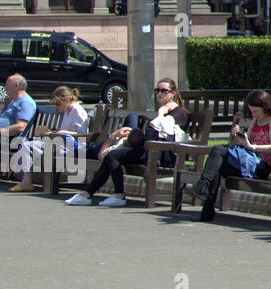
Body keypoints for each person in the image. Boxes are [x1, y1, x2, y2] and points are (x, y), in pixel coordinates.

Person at [67, 77, 189, 208]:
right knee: (112, 156)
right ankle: (90, 194)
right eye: (157, 90)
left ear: (173, 93)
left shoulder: (178, 113)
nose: (160, 93)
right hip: (149, 150)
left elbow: (163, 133)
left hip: (160, 155)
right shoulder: (167, 110)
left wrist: (161, 113)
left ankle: (104, 195)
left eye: (164, 91)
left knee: (112, 156)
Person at [186, 90, 271, 221]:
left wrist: (253, 147)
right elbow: (249, 142)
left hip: (262, 166)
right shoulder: (256, 119)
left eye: (256, 111)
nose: (253, 114)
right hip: (248, 160)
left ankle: (204, 192)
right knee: (217, 163)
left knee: (217, 152)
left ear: (266, 107)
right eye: (251, 111)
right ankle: (206, 205)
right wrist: (240, 138)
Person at [11, 85, 88, 192]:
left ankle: (42, 182)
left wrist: (61, 133)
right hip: (59, 142)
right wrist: (52, 132)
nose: (56, 107)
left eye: (58, 104)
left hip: (72, 147)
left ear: (66, 100)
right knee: (27, 145)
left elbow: (83, 134)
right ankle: (26, 181)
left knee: (46, 153)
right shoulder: (67, 110)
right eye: (55, 104)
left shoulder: (78, 111)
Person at [0, 74, 37, 155]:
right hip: (0, 136)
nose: (5, 87)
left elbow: (20, 127)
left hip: (11, 140)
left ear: (16, 86)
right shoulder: (15, 100)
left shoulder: (25, 103)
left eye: (7, 85)